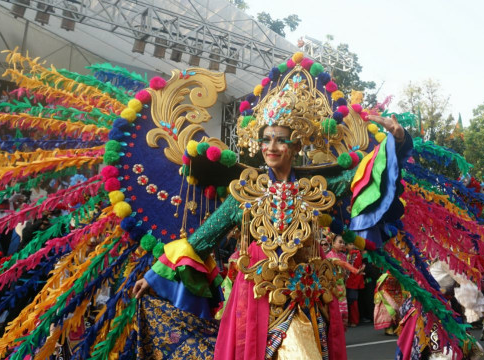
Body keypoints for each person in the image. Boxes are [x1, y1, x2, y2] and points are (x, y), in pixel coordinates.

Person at [133, 54, 412, 359]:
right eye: (266, 140)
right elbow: (202, 239)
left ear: (295, 146)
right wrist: (154, 277)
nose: (270, 147)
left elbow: (362, 177)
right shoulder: (245, 193)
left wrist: (395, 141)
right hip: (254, 302)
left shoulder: (317, 188)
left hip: (305, 300)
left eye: (280, 140)